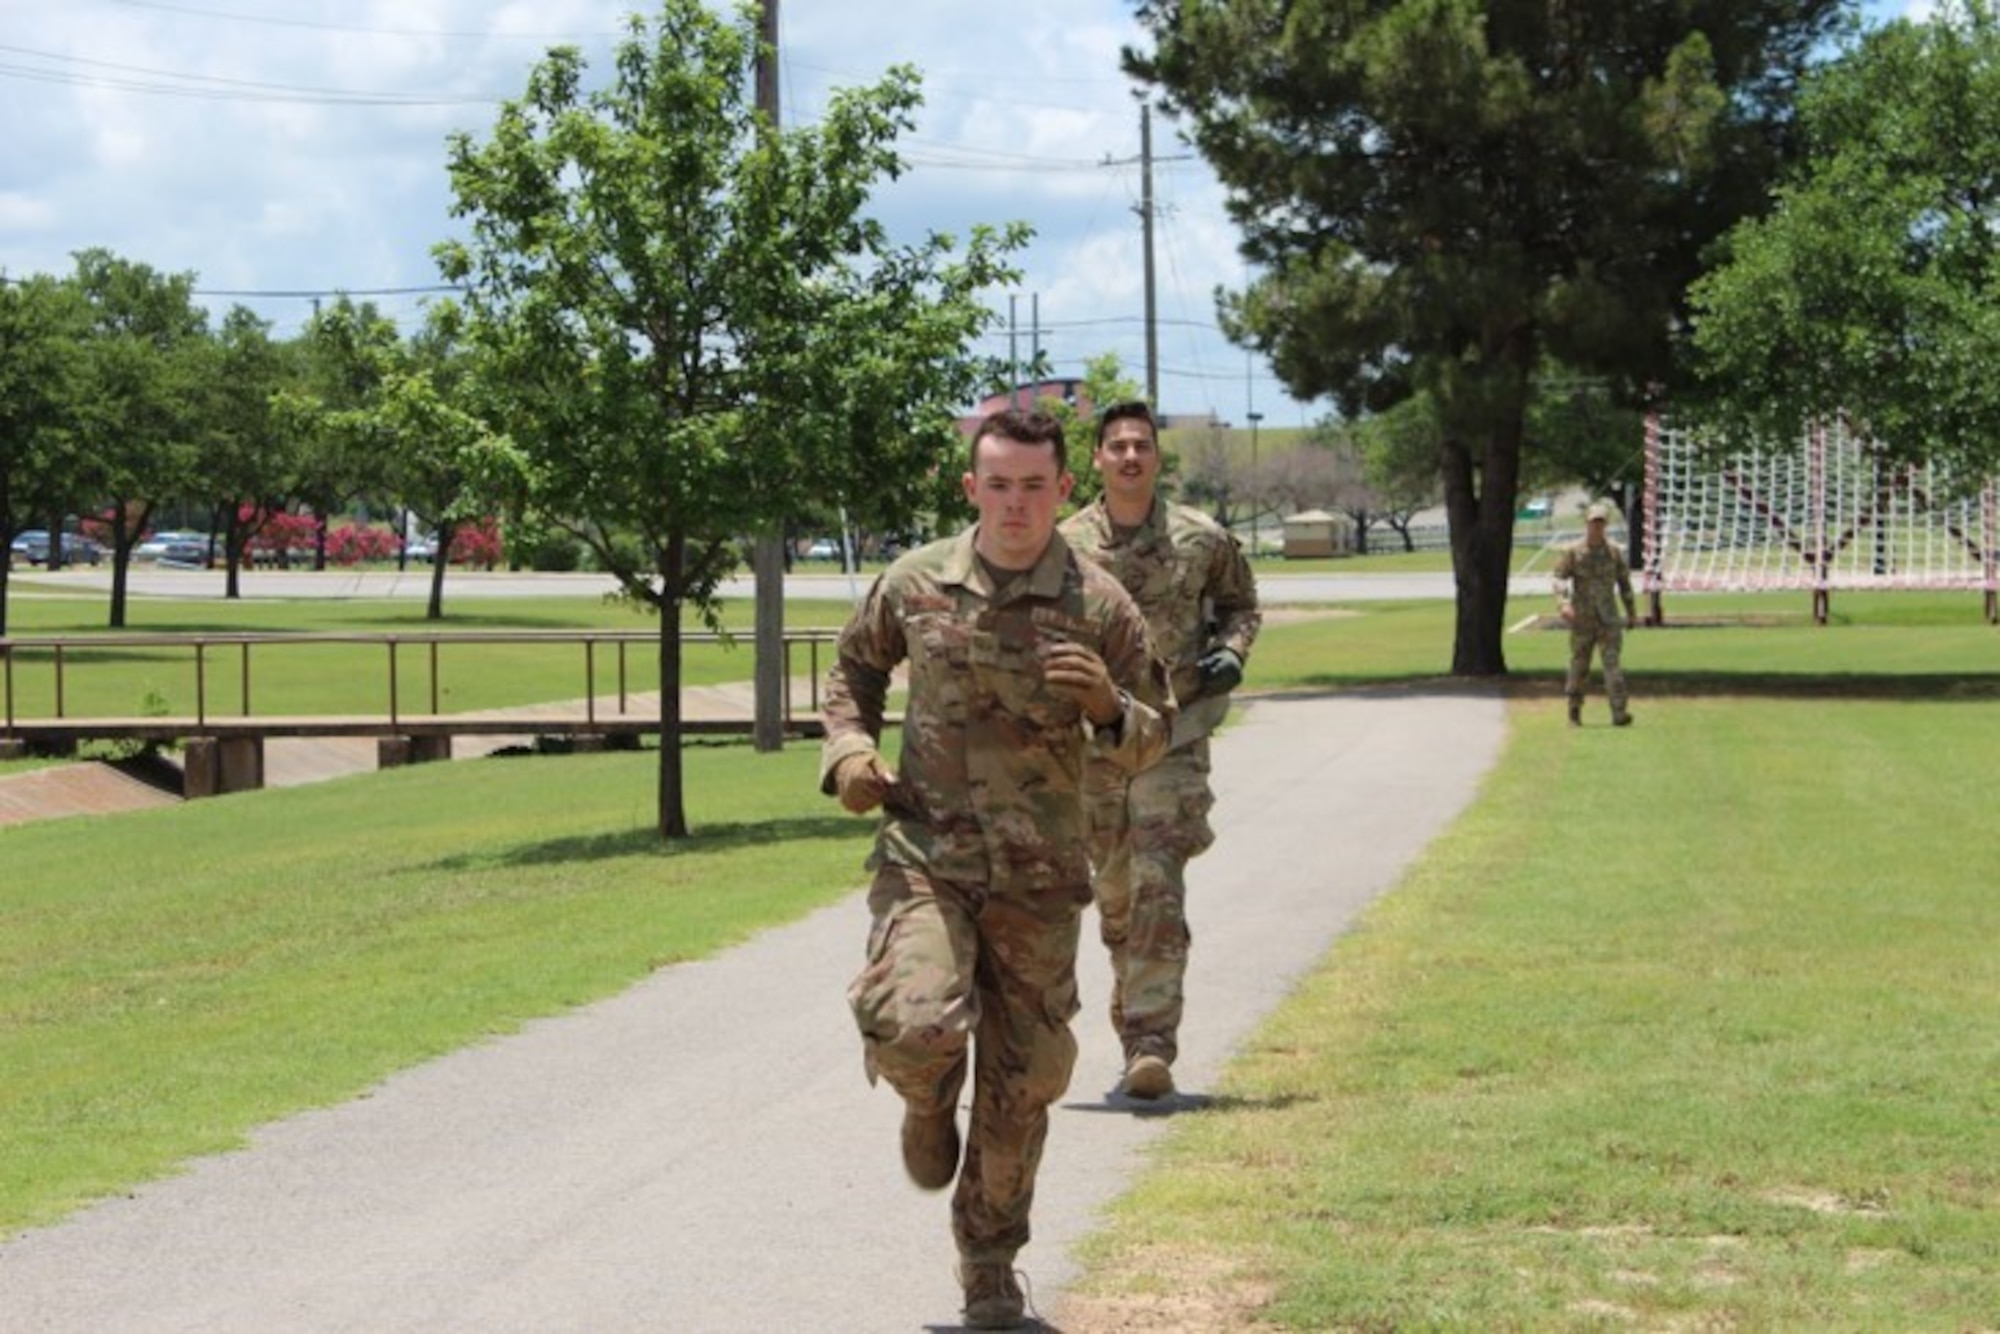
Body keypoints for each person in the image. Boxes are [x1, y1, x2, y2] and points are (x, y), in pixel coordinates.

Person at [821, 407, 1173, 1330]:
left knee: (1025, 1083)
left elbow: (1156, 725)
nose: (1015, 505)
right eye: (998, 485)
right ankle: (927, 1094)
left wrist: (1107, 706)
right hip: (926, 856)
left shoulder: (1100, 604)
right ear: (970, 487)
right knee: (917, 1021)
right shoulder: (913, 582)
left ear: (1065, 490)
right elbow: (851, 673)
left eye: (1034, 486)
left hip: (1041, 878)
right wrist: (849, 753)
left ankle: (987, 1263)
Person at [1059, 399, 1261, 1101]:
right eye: (1116, 446)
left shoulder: (1201, 539)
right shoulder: (1063, 546)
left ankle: (1150, 1043)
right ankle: (1133, 1017)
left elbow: (1242, 606)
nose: (1129, 456)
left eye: (1141, 444)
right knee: (1116, 894)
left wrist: (1232, 654)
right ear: (1097, 459)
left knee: (1155, 879)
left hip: (1172, 735)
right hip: (1092, 746)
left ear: (1157, 456)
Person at [1553, 501, 1638, 726]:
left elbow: (1624, 583)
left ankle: (1619, 712)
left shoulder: (1614, 553)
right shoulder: (1573, 552)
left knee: (1613, 666)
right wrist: (1563, 604)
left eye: (1601, 522)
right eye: (1593, 522)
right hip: (1582, 618)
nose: (1597, 527)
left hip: (1608, 618)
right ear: (1586, 523)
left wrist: (1631, 612)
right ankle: (1574, 710)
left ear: (1606, 524)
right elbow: (1559, 577)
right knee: (1579, 665)